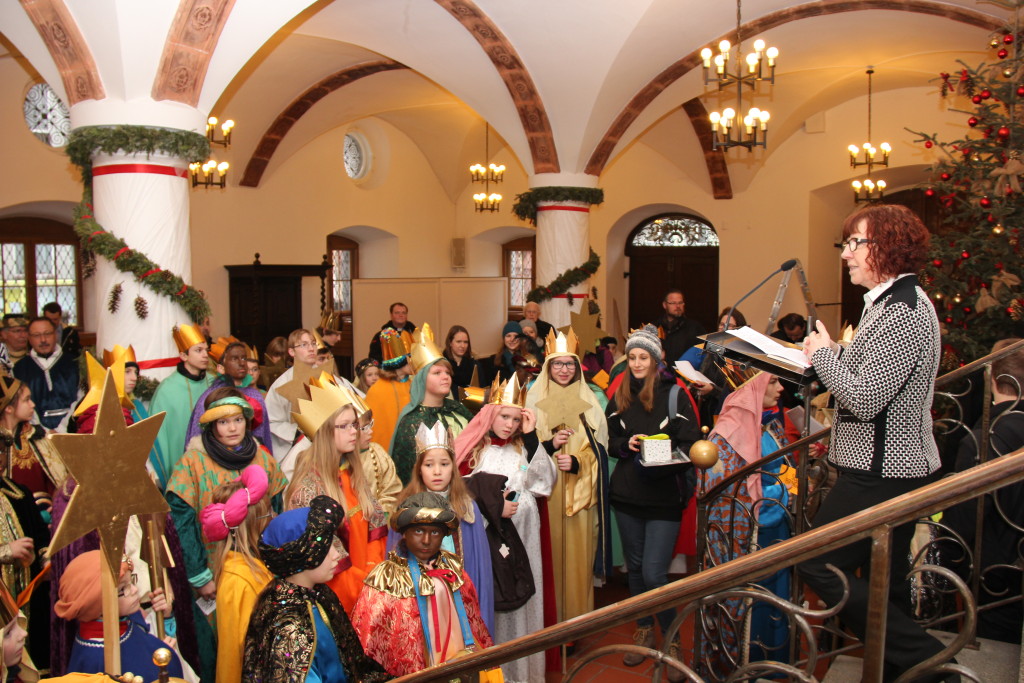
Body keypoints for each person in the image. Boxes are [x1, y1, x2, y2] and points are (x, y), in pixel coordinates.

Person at [798, 204, 949, 680]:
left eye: (854, 243)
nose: (846, 254)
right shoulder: (887, 303)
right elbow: (875, 372)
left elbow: (865, 397)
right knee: (886, 579)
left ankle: (929, 660)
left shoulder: (903, 310)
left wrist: (824, 357)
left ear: (885, 247)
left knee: (816, 562)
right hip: (884, 465)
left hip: (884, 470)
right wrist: (833, 352)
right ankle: (905, 669)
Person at [165, 387, 287, 681]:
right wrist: (199, 576)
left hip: (260, 572)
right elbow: (181, 525)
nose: (232, 428)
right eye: (223, 422)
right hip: (213, 574)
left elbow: (277, 515)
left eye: (238, 420)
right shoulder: (191, 464)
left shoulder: (263, 460)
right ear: (211, 425)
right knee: (218, 649)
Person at [606, 324, 700, 673]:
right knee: (635, 571)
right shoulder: (619, 395)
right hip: (627, 494)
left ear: (656, 359)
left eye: (643, 357)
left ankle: (671, 638)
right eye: (632, 357)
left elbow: (691, 443)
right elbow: (611, 441)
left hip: (663, 496)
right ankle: (644, 629)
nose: (636, 363)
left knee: (654, 573)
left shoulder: (674, 394)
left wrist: (663, 450)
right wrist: (625, 445)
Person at [454, 375, 557, 683]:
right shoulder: (474, 451)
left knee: (522, 595)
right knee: (495, 599)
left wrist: (532, 436)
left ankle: (523, 674)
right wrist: (495, 508)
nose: (510, 425)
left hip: (524, 537)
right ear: (490, 415)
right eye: (504, 417)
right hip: (488, 542)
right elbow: (458, 496)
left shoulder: (521, 450)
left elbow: (543, 483)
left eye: (516, 419)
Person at [704, 372, 799, 673]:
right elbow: (730, 497)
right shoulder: (727, 434)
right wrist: (784, 491)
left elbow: (780, 468)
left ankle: (768, 666)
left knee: (769, 603)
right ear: (752, 387)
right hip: (744, 539)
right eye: (773, 382)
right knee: (746, 608)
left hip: (770, 532)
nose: (781, 388)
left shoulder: (765, 423)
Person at [242, 496, 389, 683]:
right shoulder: (290, 627)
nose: (337, 554)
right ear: (303, 556)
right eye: (326, 548)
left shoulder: (319, 595)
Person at [351, 491, 493, 676]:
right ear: (405, 533)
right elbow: (370, 642)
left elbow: (474, 624)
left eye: (434, 532)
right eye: (418, 531)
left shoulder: (454, 572)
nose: (426, 540)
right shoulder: (386, 580)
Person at [524, 329, 610, 622]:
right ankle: (547, 619)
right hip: (545, 495)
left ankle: (575, 620)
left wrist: (577, 462)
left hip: (577, 494)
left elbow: (599, 451)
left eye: (569, 364)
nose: (563, 369)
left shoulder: (590, 402)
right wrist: (549, 446)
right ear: (548, 367)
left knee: (576, 559)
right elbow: (522, 449)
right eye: (557, 364)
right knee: (546, 555)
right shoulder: (533, 401)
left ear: (577, 367)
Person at [943, 337, 1024, 644]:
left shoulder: (986, 438)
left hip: (996, 574)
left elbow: (965, 516)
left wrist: (942, 561)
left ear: (993, 380)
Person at [287, 376, 388, 611]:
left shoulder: (351, 473)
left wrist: (375, 573)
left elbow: (375, 527)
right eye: (344, 426)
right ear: (324, 432)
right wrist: (367, 591)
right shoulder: (308, 490)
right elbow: (327, 562)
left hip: (370, 588)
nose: (354, 432)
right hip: (341, 599)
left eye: (354, 424)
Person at [390, 422, 494, 633]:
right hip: (420, 601)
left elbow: (480, 568)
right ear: (419, 469)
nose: (437, 472)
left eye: (444, 464)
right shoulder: (406, 509)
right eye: (429, 465)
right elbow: (394, 560)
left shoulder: (466, 508)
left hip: (459, 602)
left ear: (453, 468)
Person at [56, 551, 184, 680]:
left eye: (131, 581)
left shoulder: (126, 620)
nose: (135, 590)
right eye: (123, 589)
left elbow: (143, 641)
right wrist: (163, 662)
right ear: (96, 604)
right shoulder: (96, 658)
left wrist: (164, 620)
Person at [198, 465, 274, 683]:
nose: (274, 517)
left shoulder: (255, 568)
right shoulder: (238, 581)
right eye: (268, 514)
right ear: (252, 524)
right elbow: (232, 656)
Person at [391, 324, 473, 484]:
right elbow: (407, 475)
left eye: (447, 372)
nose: (445, 377)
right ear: (421, 379)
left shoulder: (457, 409)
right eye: (437, 373)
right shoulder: (411, 422)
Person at [185, 339, 273, 457]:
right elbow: (197, 437)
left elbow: (264, 436)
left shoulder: (256, 395)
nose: (241, 363)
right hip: (217, 458)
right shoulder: (211, 397)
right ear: (221, 368)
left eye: (244, 358)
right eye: (234, 359)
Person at [149, 324, 214, 478]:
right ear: (184, 356)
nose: (205, 355)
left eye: (206, 350)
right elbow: (157, 436)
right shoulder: (166, 390)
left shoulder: (213, 383)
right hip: (180, 467)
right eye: (198, 350)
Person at [0, 376, 67, 521]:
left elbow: (57, 481)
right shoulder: (2, 446)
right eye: (26, 400)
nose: (32, 404)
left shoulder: (37, 437)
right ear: (9, 408)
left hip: (50, 519)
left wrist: (57, 508)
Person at [13, 317, 79, 433]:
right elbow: (20, 404)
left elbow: (81, 399)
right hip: (35, 433)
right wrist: (42, 431)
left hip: (72, 430)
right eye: (36, 335)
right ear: (29, 338)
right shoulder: (19, 369)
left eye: (47, 334)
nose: (43, 340)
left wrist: (62, 429)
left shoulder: (75, 363)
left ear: (56, 334)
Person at [266, 328, 319, 456]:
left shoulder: (327, 376)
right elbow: (271, 420)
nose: (311, 348)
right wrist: (299, 433)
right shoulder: (282, 384)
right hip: (297, 447)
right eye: (304, 345)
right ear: (291, 352)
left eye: (313, 343)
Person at [363, 329, 413, 450]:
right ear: (400, 362)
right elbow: (373, 428)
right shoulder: (377, 390)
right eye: (410, 357)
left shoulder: (413, 385)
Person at [656, 289, 705, 363]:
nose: (678, 306)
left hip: (686, 369)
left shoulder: (695, 328)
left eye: (680, 303)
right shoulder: (655, 327)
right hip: (660, 369)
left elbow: (703, 354)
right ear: (664, 305)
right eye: (673, 303)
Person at [443, 325, 479, 390]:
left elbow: (482, 389)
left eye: (465, 342)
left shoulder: (474, 364)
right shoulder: (442, 364)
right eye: (458, 342)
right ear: (450, 343)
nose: (462, 346)